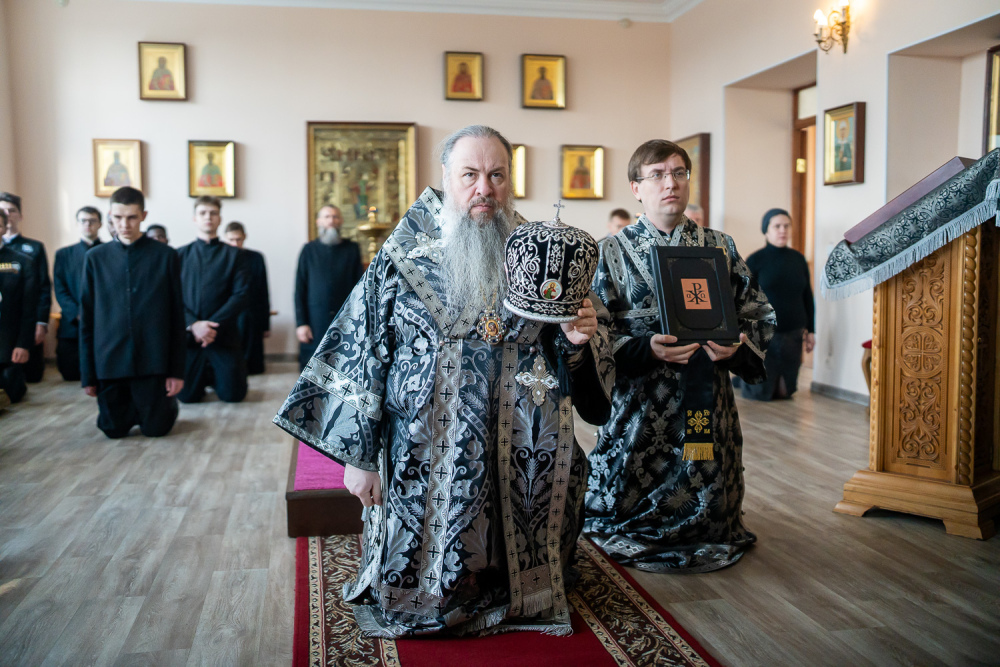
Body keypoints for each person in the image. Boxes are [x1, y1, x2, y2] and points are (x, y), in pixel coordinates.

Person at [274, 125, 614, 637]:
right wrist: (358, 458)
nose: (484, 189)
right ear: (445, 177)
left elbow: (576, 352)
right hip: (425, 449)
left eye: (497, 176)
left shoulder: (544, 254)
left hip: (519, 448)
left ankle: (516, 593)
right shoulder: (402, 256)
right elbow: (361, 350)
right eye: (470, 175)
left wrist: (578, 338)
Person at [585, 139, 775, 572]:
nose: (670, 183)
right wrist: (643, 347)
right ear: (636, 188)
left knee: (706, 475)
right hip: (639, 403)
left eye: (678, 173)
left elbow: (758, 314)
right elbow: (594, 329)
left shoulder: (720, 246)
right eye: (657, 175)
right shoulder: (608, 252)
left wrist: (736, 347)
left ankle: (708, 523)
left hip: (706, 394)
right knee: (629, 490)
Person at [79, 187, 185, 438]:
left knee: (156, 429)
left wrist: (176, 372)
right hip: (110, 363)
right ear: (110, 216)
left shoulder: (166, 256)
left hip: (153, 362)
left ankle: (162, 408)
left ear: (143, 216)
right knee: (113, 430)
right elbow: (87, 319)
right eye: (118, 217)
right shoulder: (95, 258)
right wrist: (88, 376)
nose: (124, 225)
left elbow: (176, 316)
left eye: (131, 217)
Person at [176, 196, 250, 403]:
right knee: (187, 397)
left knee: (233, 395)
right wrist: (194, 325)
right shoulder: (179, 255)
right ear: (195, 218)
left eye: (213, 213)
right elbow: (173, 298)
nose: (208, 217)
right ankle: (205, 376)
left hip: (223, 335)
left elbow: (241, 295)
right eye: (203, 213)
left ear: (219, 219)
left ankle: (216, 376)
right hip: (191, 338)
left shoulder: (235, 255)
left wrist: (209, 327)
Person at [742, 208, 815, 400]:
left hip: (793, 333)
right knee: (762, 394)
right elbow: (744, 298)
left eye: (786, 226)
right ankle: (743, 380)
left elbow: (807, 296)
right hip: (764, 334)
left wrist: (811, 331)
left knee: (784, 393)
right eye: (777, 226)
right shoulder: (755, 260)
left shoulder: (798, 259)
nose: (783, 230)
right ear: (766, 230)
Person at [294, 205, 363, 370]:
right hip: (315, 320)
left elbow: (359, 287)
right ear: (319, 221)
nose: (331, 220)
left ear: (341, 221)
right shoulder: (308, 250)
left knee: (343, 366)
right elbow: (300, 289)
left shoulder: (352, 249)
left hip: (345, 319)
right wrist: (301, 323)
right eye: (327, 217)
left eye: (335, 216)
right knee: (313, 369)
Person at [0, 192, 50, 383]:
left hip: (17, 327)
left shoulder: (29, 253)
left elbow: (39, 291)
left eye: (11, 210)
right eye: (3, 210)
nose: (7, 214)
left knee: (26, 377)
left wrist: (41, 322)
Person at [53, 206, 103, 381]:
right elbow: (60, 288)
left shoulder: (108, 251)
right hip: (72, 322)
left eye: (92, 221)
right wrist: (77, 313)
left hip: (102, 321)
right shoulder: (63, 254)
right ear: (77, 223)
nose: (88, 224)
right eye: (83, 221)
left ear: (100, 224)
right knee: (70, 373)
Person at [0, 207, 38, 404]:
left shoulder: (22, 262)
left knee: (11, 395)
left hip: (8, 347)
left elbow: (28, 308)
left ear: (4, 227)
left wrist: (23, 344)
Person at [223, 221, 271, 375]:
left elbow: (263, 291)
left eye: (238, 239)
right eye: (231, 240)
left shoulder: (256, 258)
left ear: (244, 237)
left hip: (252, 314)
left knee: (254, 367)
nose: (235, 244)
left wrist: (265, 324)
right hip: (228, 315)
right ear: (225, 239)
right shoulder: (221, 258)